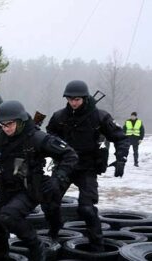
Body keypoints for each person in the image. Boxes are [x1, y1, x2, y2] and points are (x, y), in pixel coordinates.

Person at [0, 100, 78, 261]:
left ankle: (35, 244)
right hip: (7, 190)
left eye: (9, 124)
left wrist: (57, 178)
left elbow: (69, 155)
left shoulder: (37, 138)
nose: (6, 128)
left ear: (20, 121)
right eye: (2, 125)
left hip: (30, 189)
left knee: (9, 216)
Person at [42, 80, 130, 251]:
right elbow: (49, 134)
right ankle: (54, 232)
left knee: (87, 209)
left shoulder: (99, 116)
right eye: (70, 99)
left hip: (87, 168)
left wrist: (121, 159)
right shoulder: (60, 116)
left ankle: (98, 246)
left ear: (84, 98)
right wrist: (56, 147)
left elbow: (121, 138)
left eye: (77, 99)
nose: (73, 102)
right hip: (65, 166)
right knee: (49, 203)